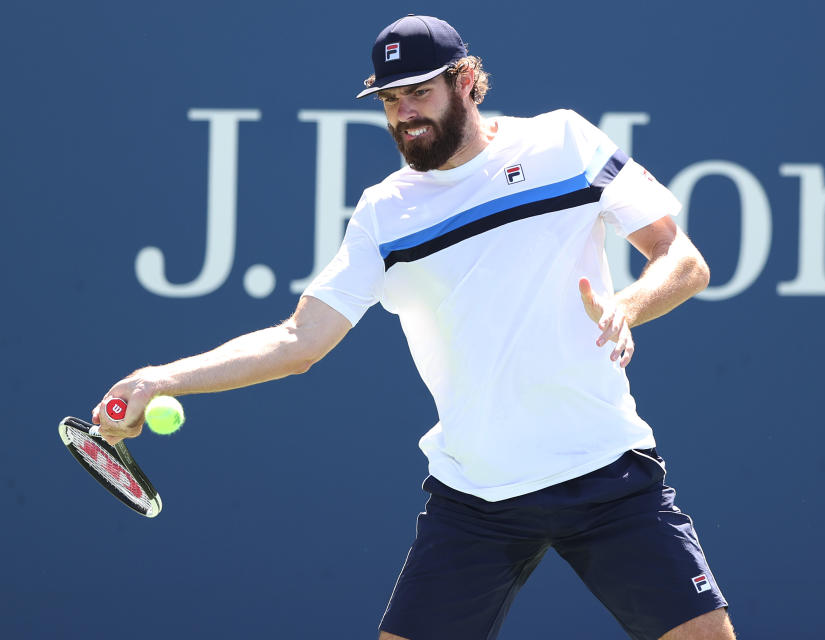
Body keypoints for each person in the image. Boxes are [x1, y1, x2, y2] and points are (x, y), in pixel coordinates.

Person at [94, 15, 735, 640]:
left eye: (420, 92)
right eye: (391, 99)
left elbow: (683, 259)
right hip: (475, 498)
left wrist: (626, 306)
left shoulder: (564, 142)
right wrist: (159, 377)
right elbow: (299, 341)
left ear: (468, 80)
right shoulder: (383, 213)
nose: (405, 113)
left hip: (606, 472)